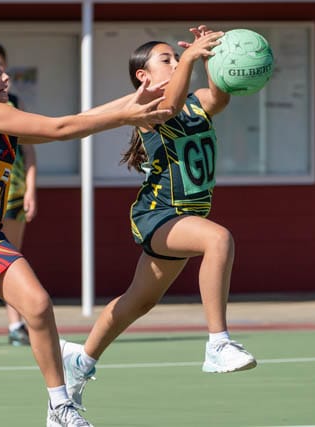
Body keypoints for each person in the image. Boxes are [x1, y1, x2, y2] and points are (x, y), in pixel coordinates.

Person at [0, 48, 172, 427]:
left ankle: (60, 406)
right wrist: (128, 115)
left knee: (39, 306)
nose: (6, 78)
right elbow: (62, 129)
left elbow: (75, 121)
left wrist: (136, 100)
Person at [59, 25, 257, 410]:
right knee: (219, 239)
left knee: (138, 302)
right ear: (143, 75)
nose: (176, 61)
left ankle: (81, 360)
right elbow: (170, 106)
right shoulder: (147, 108)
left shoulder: (197, 102)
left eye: (176, 56)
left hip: (186, 216)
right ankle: (218, 343)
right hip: (160, 214)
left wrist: (214, 58)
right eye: (166, 59)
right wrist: (190, 56)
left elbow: (219, 96)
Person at [0, 41, 37, 346]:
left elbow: (30, 149)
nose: (0, 74)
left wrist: (31, 188)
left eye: (0, 66)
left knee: (9, 257)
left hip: (12, 190)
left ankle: (15, 324)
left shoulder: (14, 103)